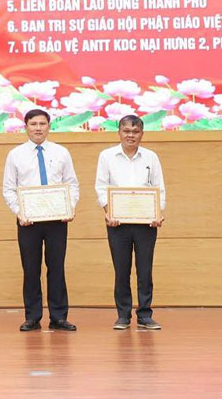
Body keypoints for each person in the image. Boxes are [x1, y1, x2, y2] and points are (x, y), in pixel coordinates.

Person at [2, 108, 80, 332]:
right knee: (30, 269)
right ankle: (32, 317)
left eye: (42, 124)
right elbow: (8, 189)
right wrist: (20, 212)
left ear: (49, 126)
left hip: (57, 220)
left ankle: (58, 317)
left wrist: (69, 208)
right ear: (26, 127)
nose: (38, 128)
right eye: (33, 124)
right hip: (28, 222)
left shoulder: (62, 152)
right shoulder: (15, 155)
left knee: (56, 268)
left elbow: (72, 184)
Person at [95, 114, 166, 331]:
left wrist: (158, 213)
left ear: (142, 134)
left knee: (145, 269)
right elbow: (101, 186)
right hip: (117, 223)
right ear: (119, 132)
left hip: (146, 223)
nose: (131, 135)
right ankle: (123, 315)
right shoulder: (107, 156)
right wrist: (108, 211)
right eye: (126, 131)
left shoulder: (151, 157)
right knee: (121, 269)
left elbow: (159, 188)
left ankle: (145, 315)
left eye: (135, 132)